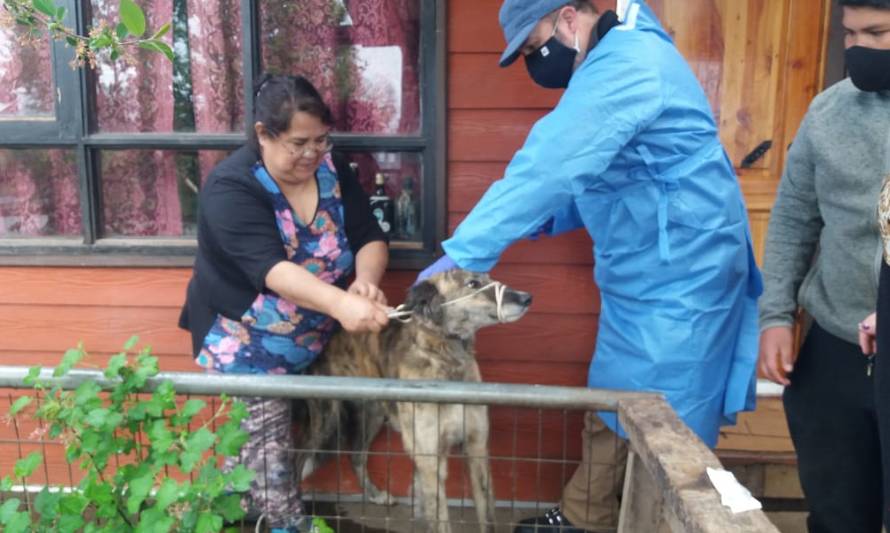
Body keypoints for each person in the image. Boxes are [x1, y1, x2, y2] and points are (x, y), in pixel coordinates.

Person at [418, 0, 762, 531]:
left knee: (667, 421)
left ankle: (651, 521)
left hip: (685, 277)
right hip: (642, 271)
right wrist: (547, 219)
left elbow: (551, 163)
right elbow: (615, 175)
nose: (537, 62)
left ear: (568, 18)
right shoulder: (611, 56)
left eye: (535, 46)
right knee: (612, 394)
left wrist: (462, 255)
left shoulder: (628, 62)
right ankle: (585, 515)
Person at [178, 73, 390, 533]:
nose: (312, 153)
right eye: (298, 143)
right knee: (271, 473)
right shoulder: (231, 187)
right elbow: (272, 271)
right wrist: (340, 304)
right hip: (245, 347)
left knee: (255, 459)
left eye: (321, 141)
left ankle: (224, 515)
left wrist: (366, 284)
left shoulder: (332, 172)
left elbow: (369, 235)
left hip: (311, 342)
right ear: (263, 135)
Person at [758, 1, 890, 531]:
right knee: (836, 513)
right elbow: (794, 217)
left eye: (878, 32)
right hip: (834, 345)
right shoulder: (828, 112)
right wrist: (774, 315)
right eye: (850, 33)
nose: (859, 47)